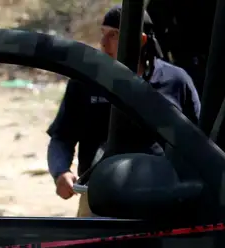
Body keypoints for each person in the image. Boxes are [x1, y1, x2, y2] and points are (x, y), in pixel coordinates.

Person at [46, 4, 201, 217]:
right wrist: (60, 172)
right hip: (99, 198)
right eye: (103, 34)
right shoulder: (85, 81)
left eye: (114, 35)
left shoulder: (176, 81)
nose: (103, 43)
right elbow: (61, 137)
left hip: (161, 198)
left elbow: (199, 142)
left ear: (142, 40)